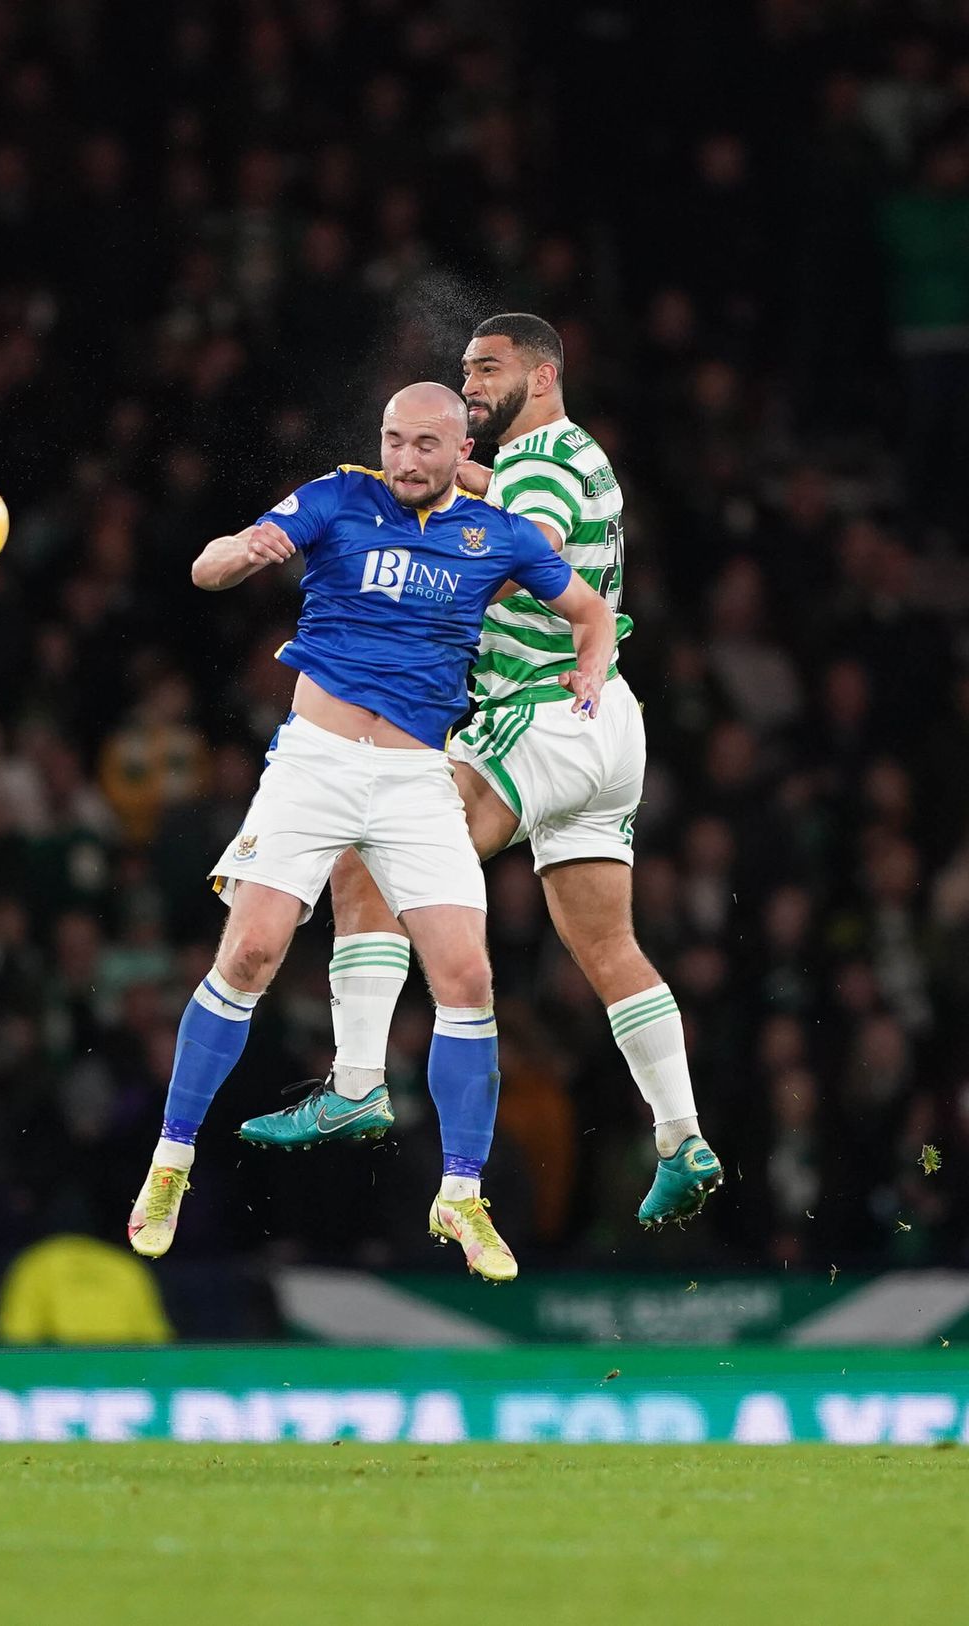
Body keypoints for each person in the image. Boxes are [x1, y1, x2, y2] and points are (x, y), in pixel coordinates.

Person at [239, 317, 723, 1229]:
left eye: (487, 368)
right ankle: (681, 1134)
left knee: (373, 857)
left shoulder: (536, 463)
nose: (470, 384)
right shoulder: (578, 454)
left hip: (535, 714)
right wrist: (454, 473)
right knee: (605, 946)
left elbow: (505, 555)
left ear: (541, 376)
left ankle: (354, 1083)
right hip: (608, 724)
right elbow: (518, 511)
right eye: (463, 370)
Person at [127, 381, 616, 1280]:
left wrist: (590, 670)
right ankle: (170, 1163)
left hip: (415, 779)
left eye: (423, 445)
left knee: (467, 976)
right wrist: (243, 550)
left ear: (459, 446)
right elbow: (207, 566)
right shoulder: (338, 496)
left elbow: (590, 610)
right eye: (393, 441)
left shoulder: (497, 534)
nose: (403, 460)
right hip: (314, 763)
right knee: (250, 956)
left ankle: (461, 1199)